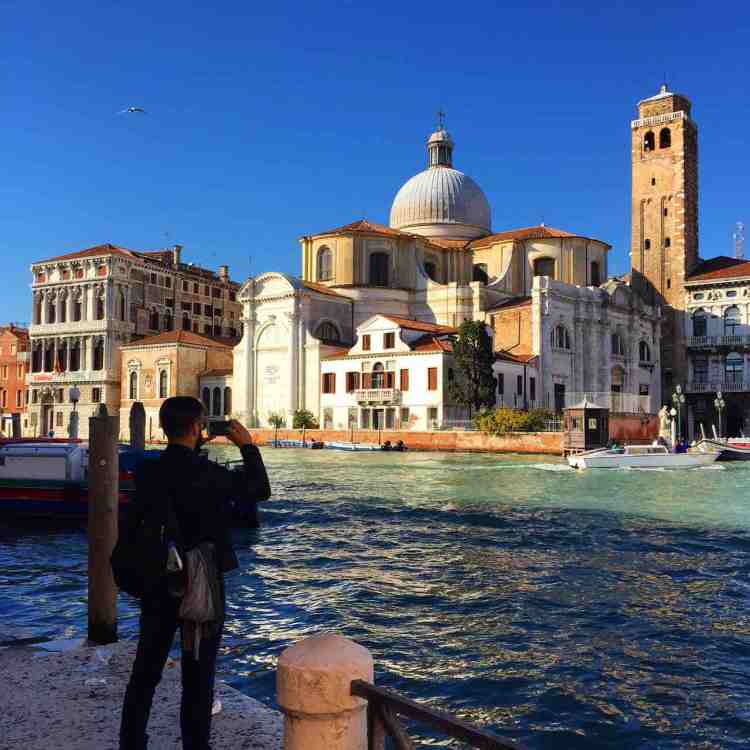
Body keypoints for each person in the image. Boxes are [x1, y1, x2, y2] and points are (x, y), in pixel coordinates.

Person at [119, 396, 270, 750]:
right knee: (198, 678)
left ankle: (131, 744)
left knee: (145, 672)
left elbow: (133, 524)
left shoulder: (148, 471)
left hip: (158, 580)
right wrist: (246, 445)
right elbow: (259, 490)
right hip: (202, 584)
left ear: (164, 428)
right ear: (197, 427)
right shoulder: (210, 474)